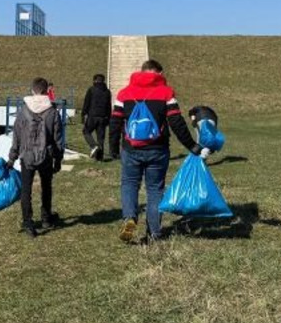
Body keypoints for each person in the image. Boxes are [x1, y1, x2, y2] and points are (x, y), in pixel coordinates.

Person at [110, 59, 208, 244]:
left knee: (129, 184)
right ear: (158, 73)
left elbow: (115, 122)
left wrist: (113, 147)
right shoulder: (166, 93)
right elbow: (176, 123)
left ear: (142, 71)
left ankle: (129, 217)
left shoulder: (124, 93)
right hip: (158, 149)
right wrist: (192, 146)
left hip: (130, 149)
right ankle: (154, 232)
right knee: (155, 190)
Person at [5, 77, 65, 238]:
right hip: (46, 156)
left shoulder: (23, 110)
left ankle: (28, 223)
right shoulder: (52, 112)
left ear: (32, 90)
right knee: (46, 187)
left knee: (26, 189)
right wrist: (58, 160)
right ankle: (46, 218)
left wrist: (12, 158)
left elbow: (17, 136)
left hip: (27, 156)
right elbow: (58, 138)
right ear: (46, 91)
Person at [80, 73, 112, 160]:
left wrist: (83, 114)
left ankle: (93, 146)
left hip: (92, 116)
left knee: (86, 131)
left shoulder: (91, 90)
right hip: (103, 117)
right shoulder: (107, 91)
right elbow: (109, 106)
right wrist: (108, 118)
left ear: (94, 80)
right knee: (101, 138)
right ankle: (99, 158)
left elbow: (86, 103)